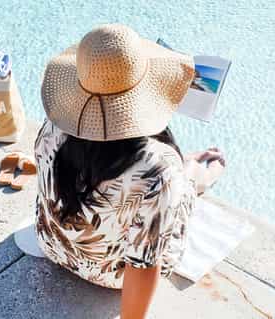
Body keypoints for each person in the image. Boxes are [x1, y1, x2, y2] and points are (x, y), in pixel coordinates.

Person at [34, 24, 225, 319]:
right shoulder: (158, 172)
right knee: (175, 187)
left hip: (53, 244)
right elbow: (143, 264)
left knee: (166, 182)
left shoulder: (57, 122)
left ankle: (188, 176)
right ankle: (194, 180)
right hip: (111, 275)